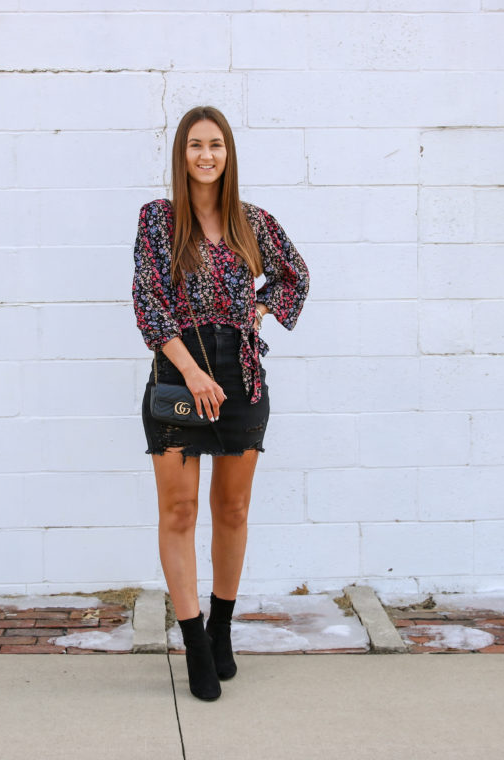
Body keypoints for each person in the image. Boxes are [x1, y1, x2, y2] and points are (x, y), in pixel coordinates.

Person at [131, 105, 309, 701]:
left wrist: (256, 312)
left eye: (216, 145)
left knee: (232, 511)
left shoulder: (252, 222)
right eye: (195, 145)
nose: (206, 155)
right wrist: (194, 372)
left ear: (228, 154)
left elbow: (295, 277)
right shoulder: (159, 221)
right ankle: (195, 644)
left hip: (244, 382)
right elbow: (150, 306)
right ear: (181, 155)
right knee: (179, 514)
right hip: (180, 382)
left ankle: (223, 629)